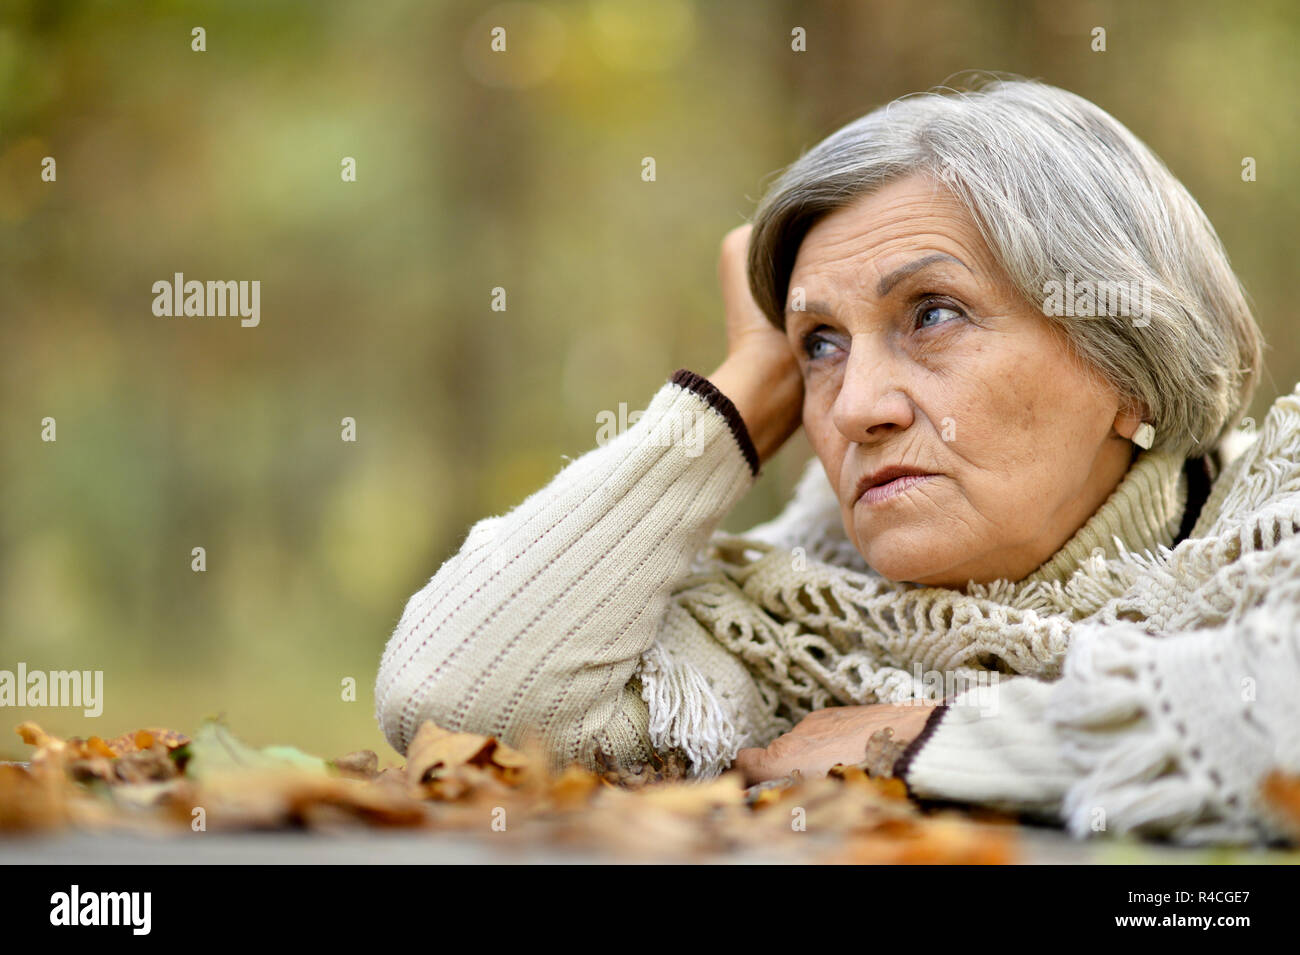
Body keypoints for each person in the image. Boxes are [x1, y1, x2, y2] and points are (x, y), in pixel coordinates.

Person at [375, 78, 1299, 846]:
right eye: (821, 344)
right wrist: (746, 391)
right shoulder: (794, 632)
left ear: (1127, 365)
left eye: (933, 313)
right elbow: (454, 694)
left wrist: (925, 738)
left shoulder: (1273, 515)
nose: (857, 407)